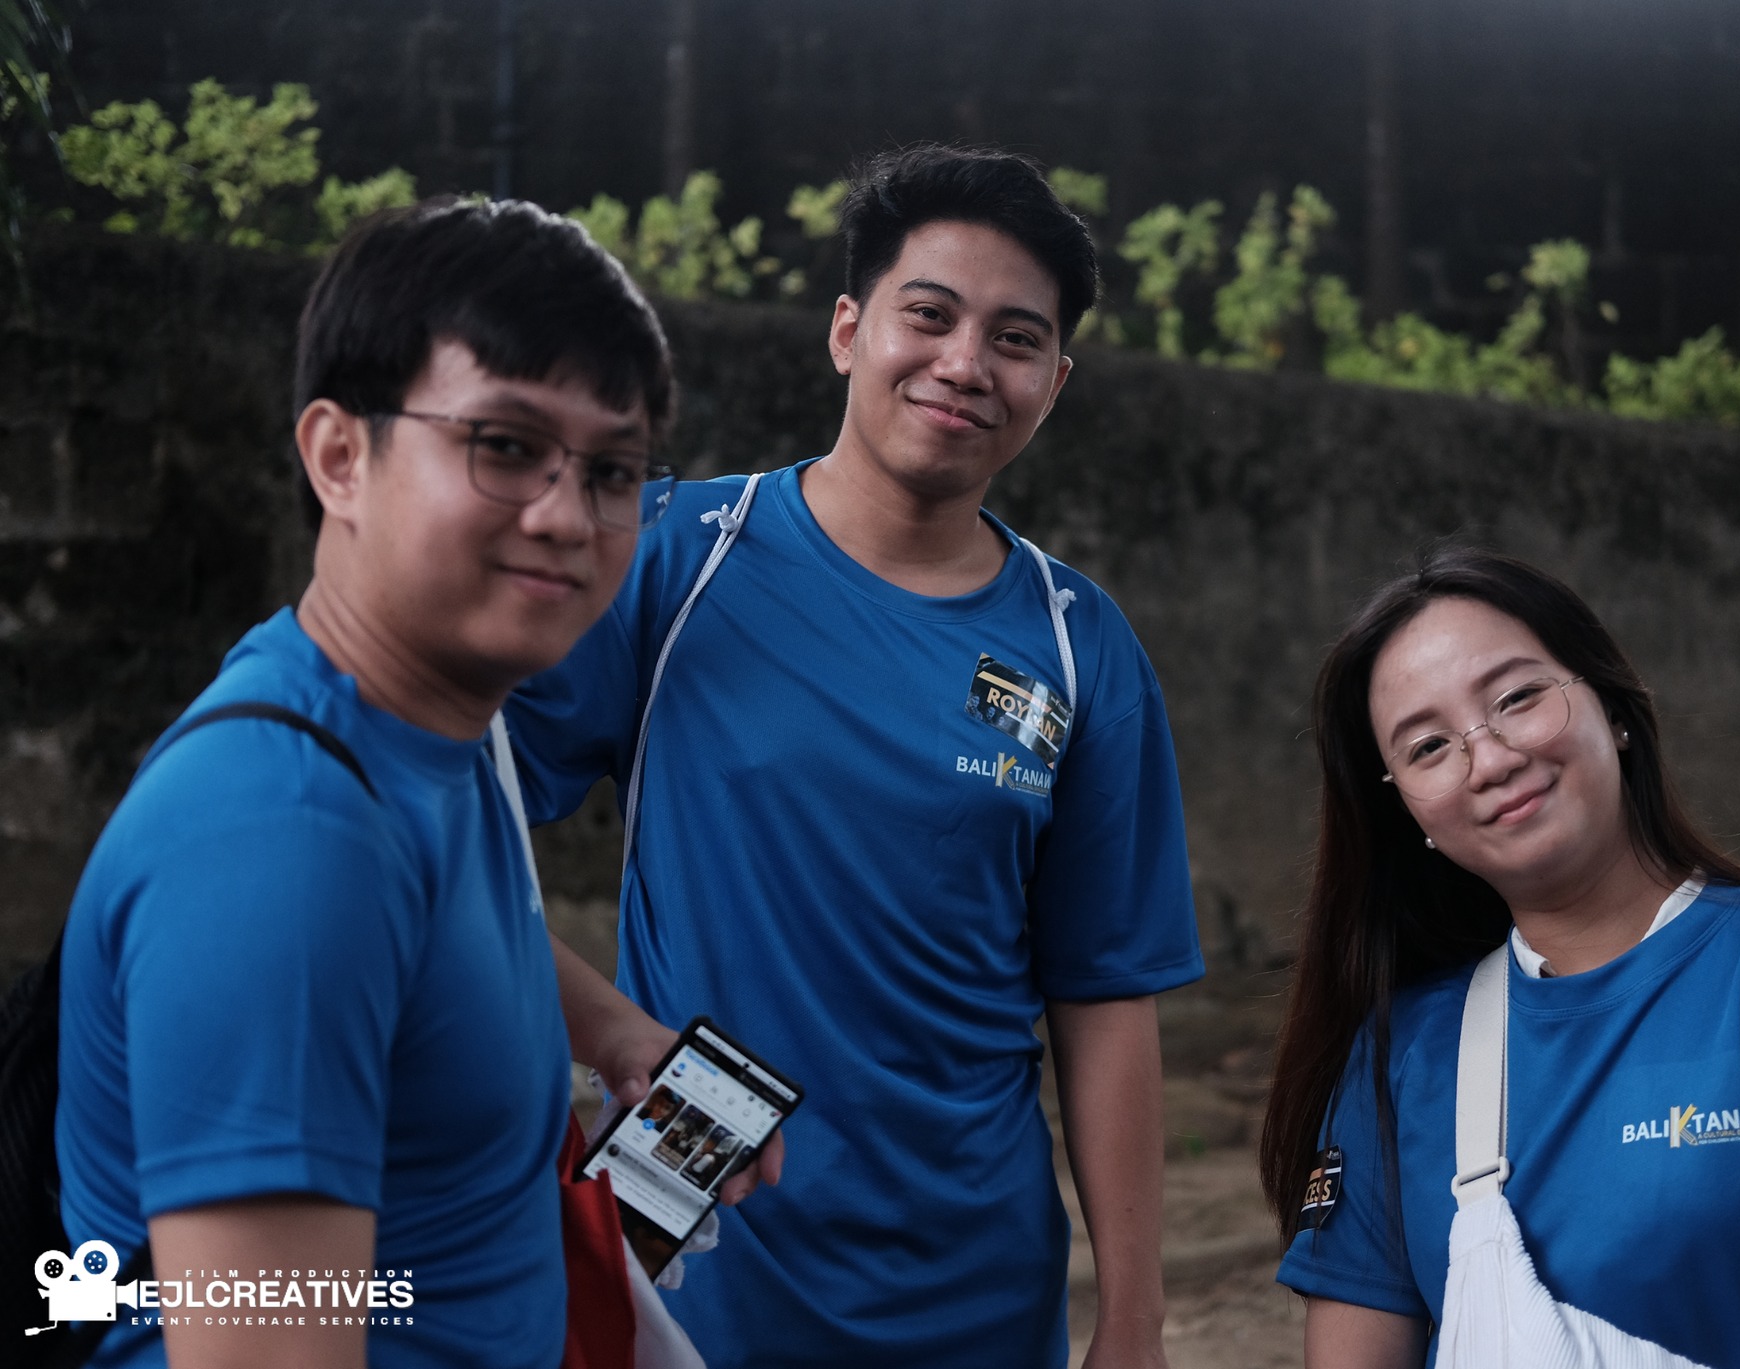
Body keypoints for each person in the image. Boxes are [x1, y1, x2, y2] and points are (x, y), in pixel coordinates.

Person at [507, 144, 1205, 1368]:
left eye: (1015, 339)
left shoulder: (1076, 644)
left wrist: (1133, 1320)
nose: (963, 364)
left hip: (973, 1279)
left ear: (1053, 380)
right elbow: (445, 821)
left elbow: (1103, 996)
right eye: (926, 315)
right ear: (845, 329)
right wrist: (614, 1031)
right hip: (691, 1246)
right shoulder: (673, 559)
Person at [55, 196, 720, 1369]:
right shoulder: (283, 838)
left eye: (612, 470)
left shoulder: (430, 737)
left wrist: (612, 1029)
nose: (568, 516)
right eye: (506, 446)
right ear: (339, 456)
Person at [1259, 545, 1740, 1368]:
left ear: (1611, 704)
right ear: (1410, 816)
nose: (1491, 759)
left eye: (1518, 697)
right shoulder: (1399, 1054)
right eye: (1428, 747)